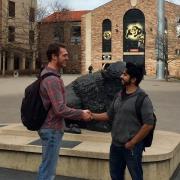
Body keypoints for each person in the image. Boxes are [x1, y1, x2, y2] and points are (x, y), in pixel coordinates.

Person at [37, 43, 91, 180]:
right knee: (48, 172)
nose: (67, 58)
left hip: (50, 127)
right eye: (64, 55)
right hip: (52, 128)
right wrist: (81, 114)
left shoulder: (47, 74)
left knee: (46, 167)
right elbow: (60, 109)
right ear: (54, 57)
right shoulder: (52, 79)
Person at [92, 62, 154, 180]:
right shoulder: (119, 95)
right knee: (115, 176)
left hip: (131, 148)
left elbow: (148, 124)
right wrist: (91, 115)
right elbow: (109, 115)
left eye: (125, 75)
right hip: (115, 145)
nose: (121, 76)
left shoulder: (143, 98)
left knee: (136, 176)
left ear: (133, 79)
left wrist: (132, 142)